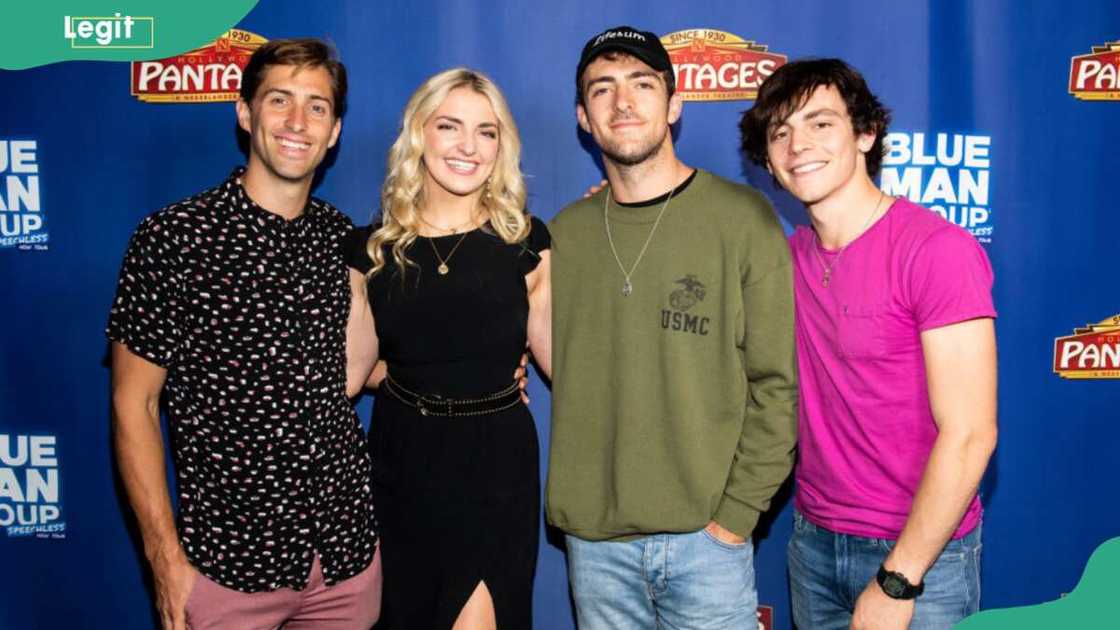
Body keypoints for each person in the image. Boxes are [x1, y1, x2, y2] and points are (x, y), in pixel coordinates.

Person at [106, 39, 381, 630]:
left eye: (317, 106)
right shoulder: (173, 238)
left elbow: (374, 365)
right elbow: (134, 402)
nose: (296, 122)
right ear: (245, 111)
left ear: (334, 131)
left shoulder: (345, 242)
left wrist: (482, 364)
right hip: (225, 570)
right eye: (279, 99)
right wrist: (163, 557)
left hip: (345, 562)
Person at [546, 26, 798, 629]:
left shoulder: (742, 219)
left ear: (674, 104)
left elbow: (778, 385)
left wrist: (734, 520)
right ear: (584, 118)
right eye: (602, 89)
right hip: (595, 547)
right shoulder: (564, 234)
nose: (623, 102)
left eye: (642, 84)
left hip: (706, 543)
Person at [740, 58, 998, 629]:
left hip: (920, 554)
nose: (797, 144)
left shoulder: (935, 250)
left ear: (865, 134)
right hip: (812, 544)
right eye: (779, 131)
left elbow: (972, 433)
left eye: (819, 123)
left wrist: (899, 578)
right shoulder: (787, 260)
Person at [344, 68, 551, 630]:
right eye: (450, 126)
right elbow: (349, 374)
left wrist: (611, 223)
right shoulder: (373, 251)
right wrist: (410, 375)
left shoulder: (526, 242)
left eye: (487, 132)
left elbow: (564, 360)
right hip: (402, 460)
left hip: (494, 465)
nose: (468, 146)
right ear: (419, 135)